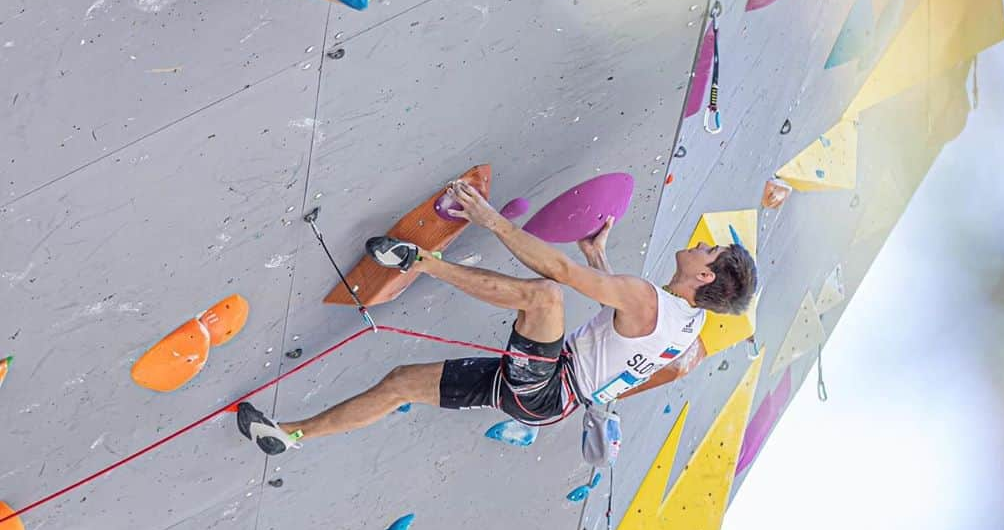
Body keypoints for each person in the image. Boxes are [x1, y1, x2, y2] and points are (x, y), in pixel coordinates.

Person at [236, 180, 757, 456]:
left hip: (550, 388)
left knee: (547, 296)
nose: (700, 245)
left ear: (705, 278)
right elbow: (622, 324)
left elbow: (556, 268)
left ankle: (419, 262)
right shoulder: (686, 323)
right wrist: (600, 260)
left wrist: (488, 217)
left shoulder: (650, 301)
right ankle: (290, 436)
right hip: (551, 397)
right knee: (399, 384)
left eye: (707, 252)